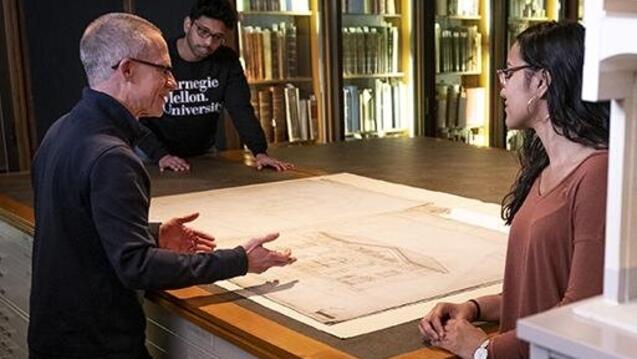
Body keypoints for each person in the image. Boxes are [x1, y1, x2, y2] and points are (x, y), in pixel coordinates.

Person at [29, 13, 295, 359]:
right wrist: (240, 260)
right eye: (163, 71)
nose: (173, 83)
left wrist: (152, 235)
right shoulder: (113, 157)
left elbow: (77, 226)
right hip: (99, 346)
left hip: (55, 339)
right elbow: (137, 268)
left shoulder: (61, 130)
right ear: (127, 70)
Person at [419, 21, 610, 359]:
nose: (502, 87)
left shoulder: (597, 174)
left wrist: (483, 349)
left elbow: (580, 314)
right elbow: (537, 294)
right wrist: (473, 308)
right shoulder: (545, 170)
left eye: (508, 72)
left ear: (540, 81)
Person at [136, 0, 293, 172]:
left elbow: (241, 109)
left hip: (203, 153)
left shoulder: (226, 61)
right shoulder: (158, 57)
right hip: (153, 155)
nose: (208, 43)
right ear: (188, 24)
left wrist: (260, 152)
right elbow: (138, 114)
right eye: (203, 31)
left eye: (217, 37)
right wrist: (160, 155)